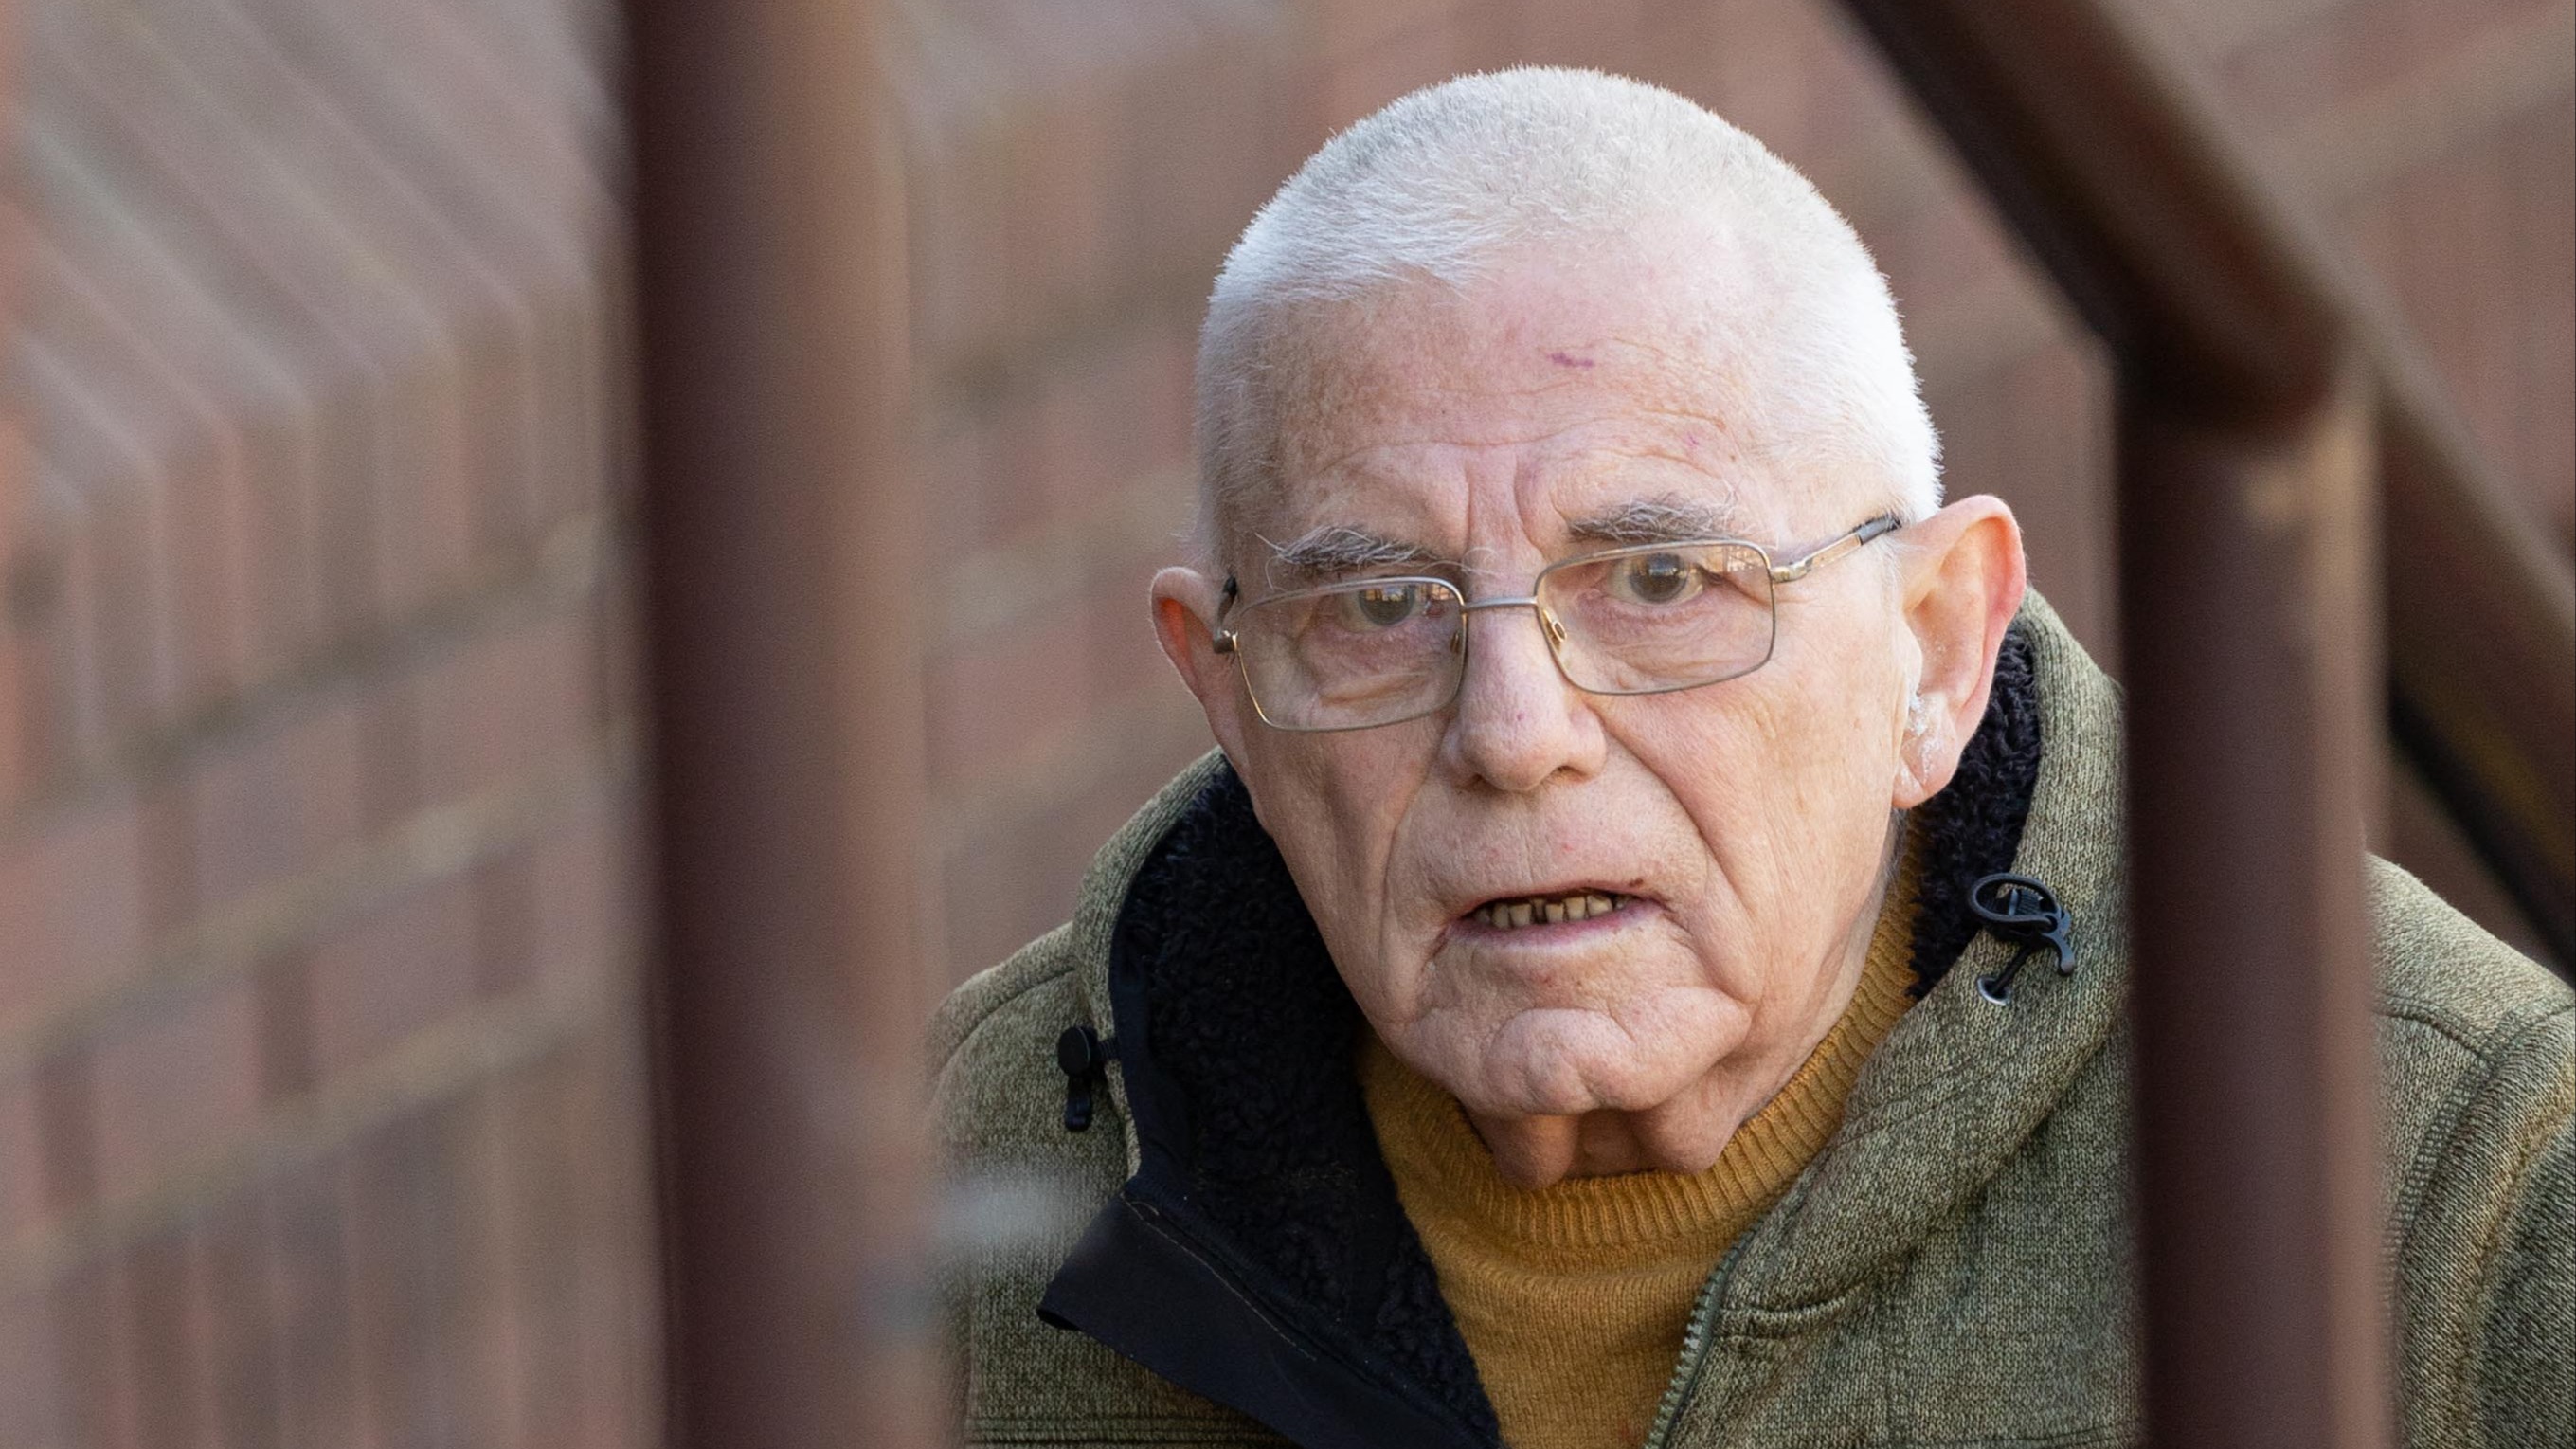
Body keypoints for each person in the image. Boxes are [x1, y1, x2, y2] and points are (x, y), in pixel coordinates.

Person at [929, 68, 2573, 1449]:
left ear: (1934, 646)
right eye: (1378, 606)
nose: (1513, 732)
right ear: (1224, 687)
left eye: (1659, 582)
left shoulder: (2462, 1186)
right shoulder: (959, 1178)